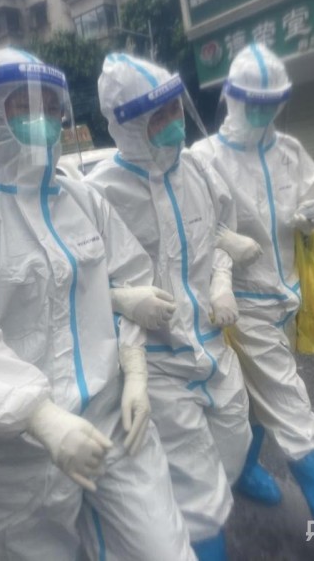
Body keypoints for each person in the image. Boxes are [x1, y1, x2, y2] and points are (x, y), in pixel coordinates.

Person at [0, 47, 196, 561]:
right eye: (24, 105)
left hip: (113, 424)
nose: (42, 118)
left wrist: (134, 369)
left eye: (50, 106)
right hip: (16, 457)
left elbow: (131, 278)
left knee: (164, 548)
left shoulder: (84, 201)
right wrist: (40, 416)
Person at [192, 42, 314, 561]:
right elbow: (185, 233)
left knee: (253, 400)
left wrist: (312, 215)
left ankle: (244, 470)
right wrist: (225, 247)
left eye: (272, 103)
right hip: (240, 306)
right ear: (232, 99)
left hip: (285, 297)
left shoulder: (288, 151)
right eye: (254, 103)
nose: (264, 113)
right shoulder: (204, 159)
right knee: (296, 418)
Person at [85, 52, 252, 561]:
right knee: (200, 497)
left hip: (214, 349)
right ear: (126, 125)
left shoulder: (198, 170)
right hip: (157, 364)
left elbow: (219, 235)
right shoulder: (99, 193)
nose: (173, 121)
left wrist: (221, 283)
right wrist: (121, 299)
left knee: (234, 446)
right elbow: (77, 288)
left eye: (175, 109)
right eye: (156, 115)